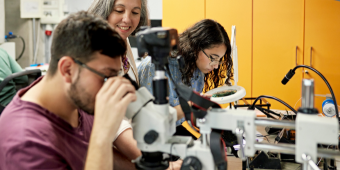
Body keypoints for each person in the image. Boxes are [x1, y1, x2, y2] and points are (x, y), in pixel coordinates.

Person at [0, 11, 138, 170]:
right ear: (67, 69)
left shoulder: (75, 97)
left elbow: (94, 155)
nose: (109, 88)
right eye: (105, 76)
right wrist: (102, 135)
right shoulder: (26, 142)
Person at [138, 19, 233, 128]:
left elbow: (188, 118)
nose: (216, 66)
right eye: (213, 58)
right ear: (196, 47)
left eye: (219, 60)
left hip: (174, 130)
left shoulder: (197, 69)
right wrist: (193, 104)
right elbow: (152, 121)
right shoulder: (154, 68)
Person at [88, 0, 149, 83]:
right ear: (103, 10)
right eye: (119, 11)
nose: (127, 20)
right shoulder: (95, 49)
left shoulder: (122, 40)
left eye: (135, 12)